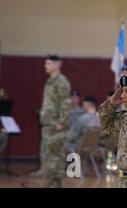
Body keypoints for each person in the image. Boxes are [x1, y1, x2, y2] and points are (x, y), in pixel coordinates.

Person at [39, 55, 71, 188]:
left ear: (57, 65)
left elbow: (65, 102)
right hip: (48, 124)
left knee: (55, 158)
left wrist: (61, 122)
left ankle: (55, 185)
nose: (45, 66)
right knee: (48, 156)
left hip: (56, 126)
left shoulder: (61, 82)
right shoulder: (50, 81)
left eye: (48, 63)